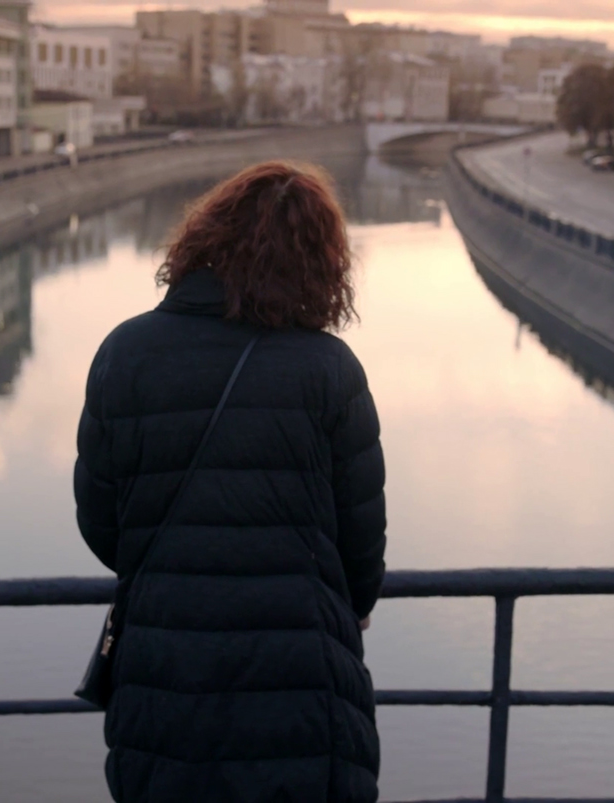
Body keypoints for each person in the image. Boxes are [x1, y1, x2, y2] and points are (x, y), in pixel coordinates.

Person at [74, 161, 387, 803]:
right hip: (300, 678)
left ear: (203, 238)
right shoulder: (329, 370)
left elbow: (102, 524)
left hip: (165, 668)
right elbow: (361, 545)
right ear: (322, 263)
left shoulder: (125, 352)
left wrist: (176, 569)